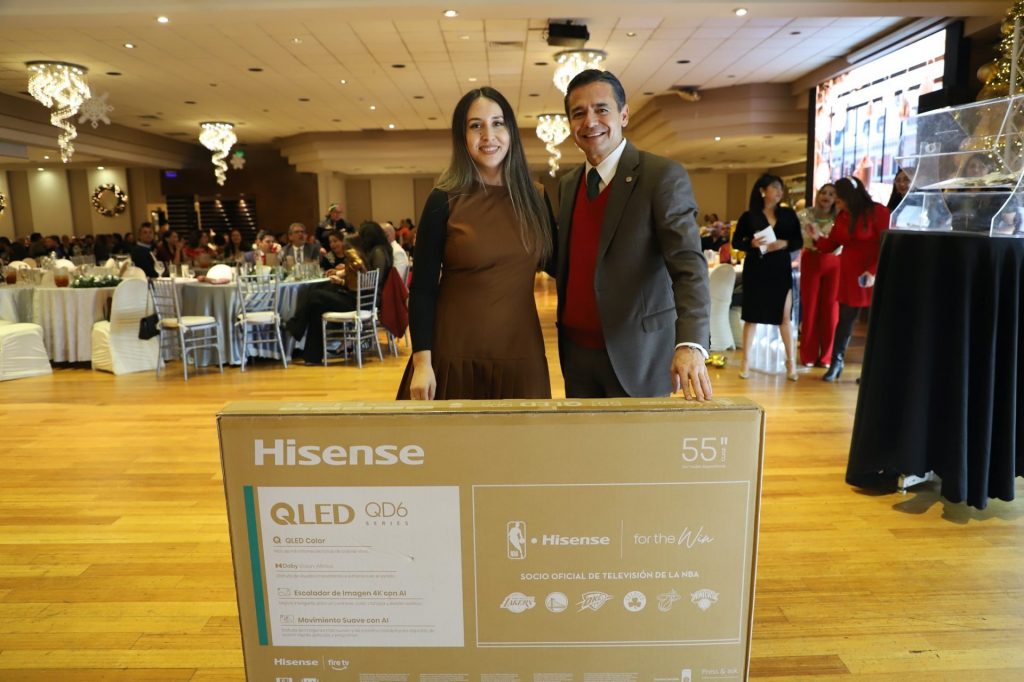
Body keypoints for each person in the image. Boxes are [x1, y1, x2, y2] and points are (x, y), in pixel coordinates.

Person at [556, 69, 710, 400]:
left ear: (624, 115)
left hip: (639, 355)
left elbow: (689, 266)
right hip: (577, 357)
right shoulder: (568, 185)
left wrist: (690, 343)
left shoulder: (660, 176)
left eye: (601, 109)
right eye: (578, 113)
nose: (590, 121)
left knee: (642, 437)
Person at [396, 86, 554, 400]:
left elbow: (562, 265)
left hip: (520, 352)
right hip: (453, 353)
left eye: (497, 123)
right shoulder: (443, 199)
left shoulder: (535, 198)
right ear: (462, 136)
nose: (488, 135)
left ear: (510, 130)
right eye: (475, 125)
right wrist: (422, 363)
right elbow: (423, 289)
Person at [814, 176, 890, 382]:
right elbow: (831, 244)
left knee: (875, 325)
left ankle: (871, 370)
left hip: (872, 275)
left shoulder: (878, 212)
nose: (837, 204)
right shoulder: (843, 216)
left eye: (839, 200)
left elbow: (886, 245)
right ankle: (836, 363)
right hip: (849, 275)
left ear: (850, 197)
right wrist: (816, 237)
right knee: (845, 322)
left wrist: (873, 271)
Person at [286, 222, 393, 365]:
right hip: (359, 298)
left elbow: (371, 281)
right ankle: (312, 356)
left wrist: (343, 282)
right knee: (317, 304)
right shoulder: (376, 251)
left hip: (362, 301)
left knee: (315, 295)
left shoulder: (377, 252)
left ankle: (295, 327)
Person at [731, 173, 803, 381]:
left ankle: (790, 362)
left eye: (780, 188)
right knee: (751, 316)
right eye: (774, 188)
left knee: (784, 316)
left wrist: (785, 243)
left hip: (780, 268)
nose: (779, 192)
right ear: (763, 191)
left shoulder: (788, 215)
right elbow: (736, 242)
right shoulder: (749, 216)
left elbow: (798, 240)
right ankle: (746, 361)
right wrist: (751, 244)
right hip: (757, 268)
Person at [797, 183, 839, 368]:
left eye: (831, 194)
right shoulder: (804, 215)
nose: (826, 196)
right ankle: (808, 355)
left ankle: (827, 357)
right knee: (810, 308)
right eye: (824, 192)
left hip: (834, 262)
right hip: (811, 259)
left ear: (836, 198)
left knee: (831, 310)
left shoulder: (841, 217)